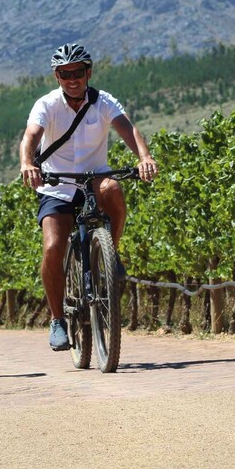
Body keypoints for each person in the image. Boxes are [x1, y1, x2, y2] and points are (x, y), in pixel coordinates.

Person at [19, 43, 158, 351]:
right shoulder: (47, 105)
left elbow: (128, 129)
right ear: (57, 76)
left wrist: (144, 157)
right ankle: (57, 319)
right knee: (53, 247)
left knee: (113, 189)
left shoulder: (103, 102)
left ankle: (111, 254)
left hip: (94, 179)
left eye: (78, 72)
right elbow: (31, 136)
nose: (73, 79)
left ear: (88, 73)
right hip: (57, 184)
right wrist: (28, 163)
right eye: (65, 73)